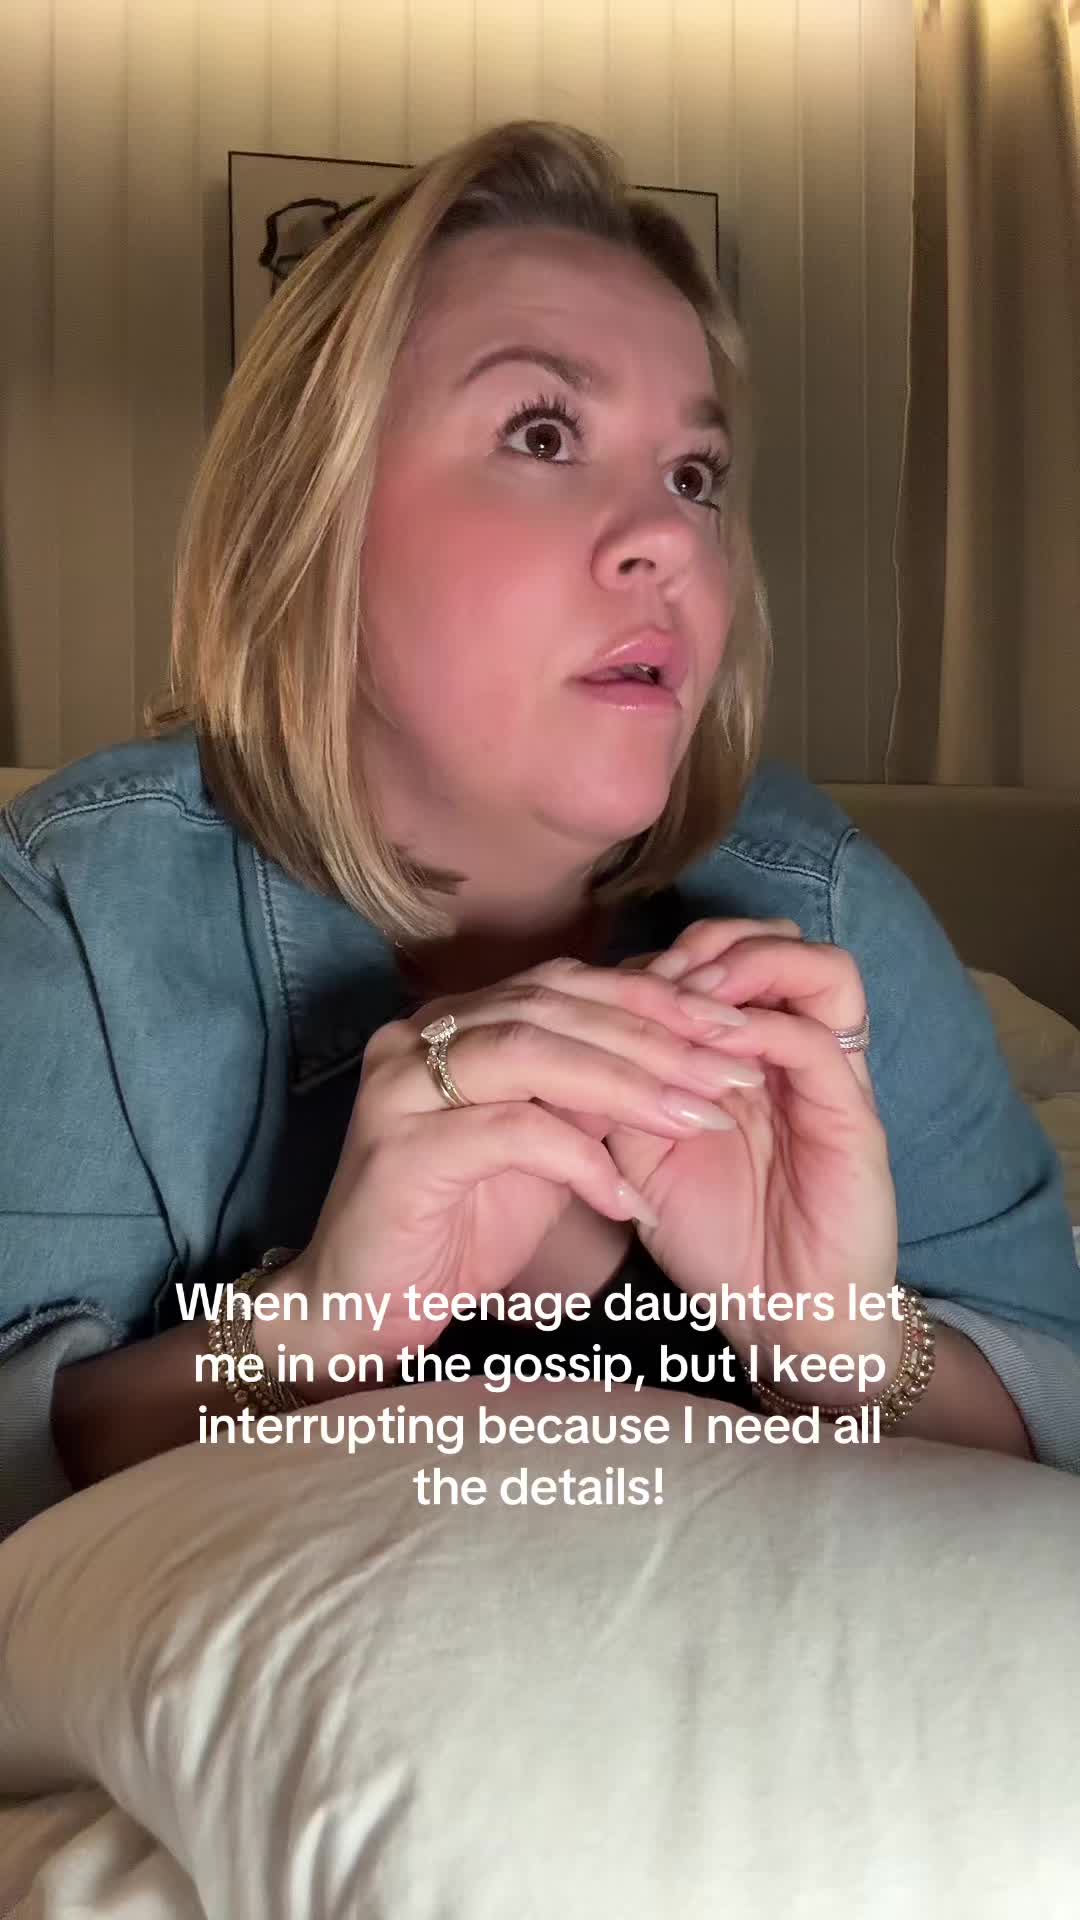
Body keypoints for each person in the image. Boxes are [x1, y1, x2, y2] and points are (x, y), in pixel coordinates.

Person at [1, 121, 1077, 1541]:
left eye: (695, 474)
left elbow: (1059, 1405)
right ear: (311, 518)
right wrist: (311, 1334)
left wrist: (848, 1355)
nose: (672, 540)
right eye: (543, 434)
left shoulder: (819, 904)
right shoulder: (79, 908)